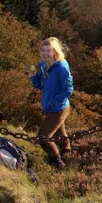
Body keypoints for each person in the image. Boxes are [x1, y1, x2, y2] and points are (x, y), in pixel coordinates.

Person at [29, 37, 74, 168]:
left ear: (55, 51)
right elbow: (40, 85)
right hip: (50, 107)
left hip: (59, 108)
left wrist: (55, 102)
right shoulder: (43, 65)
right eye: (43, 50)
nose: (45, 53)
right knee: (61, 136)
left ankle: (57, 163)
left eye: (48, 50)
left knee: (43, 137)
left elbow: (68, 89)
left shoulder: (61, 66)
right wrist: (34, 77)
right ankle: (69, 156)